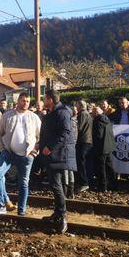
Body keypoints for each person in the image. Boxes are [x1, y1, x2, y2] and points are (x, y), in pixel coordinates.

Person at [0, 93, 41, 218]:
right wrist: (2, 149)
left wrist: (35, 152)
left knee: (23, 182)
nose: (25, 103)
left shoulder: (34, 117)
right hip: (8, 152)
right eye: (23, 100)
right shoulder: (7, 115)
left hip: (27, 155)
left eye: (28, 101)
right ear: (18, 101)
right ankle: (0, 205)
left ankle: (21, 210)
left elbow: (41, 136)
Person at [39, 90, 75, 234]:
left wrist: (50, 147)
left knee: (56, 184)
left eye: (45, 99)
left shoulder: (62, 112)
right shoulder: (54, 112)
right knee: (55, 184)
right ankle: (57, 213)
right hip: (53, 155)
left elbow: (65, 132)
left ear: (50, 100)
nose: (43, 101)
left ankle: (62, 215)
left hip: (58, 154)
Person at [91, 106, 117, 192]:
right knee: (109, 167)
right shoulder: (107, 119)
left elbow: (98, 135)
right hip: (108, 147)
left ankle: (102, 187)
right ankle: (113, 184)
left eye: (93, 112)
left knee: (101, 168)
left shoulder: (97, 120)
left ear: (95, 113)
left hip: (100, 148)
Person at [74, 100, 92, 193]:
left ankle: (83, 183)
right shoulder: (88, 114)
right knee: (83, 162)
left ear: (80, 106)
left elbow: (78, 127)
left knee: (81, 162)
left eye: (76, 105)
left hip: (83, 141)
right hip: (87, 141)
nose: (75, 107)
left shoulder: (82, 114)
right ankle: (84, 182)